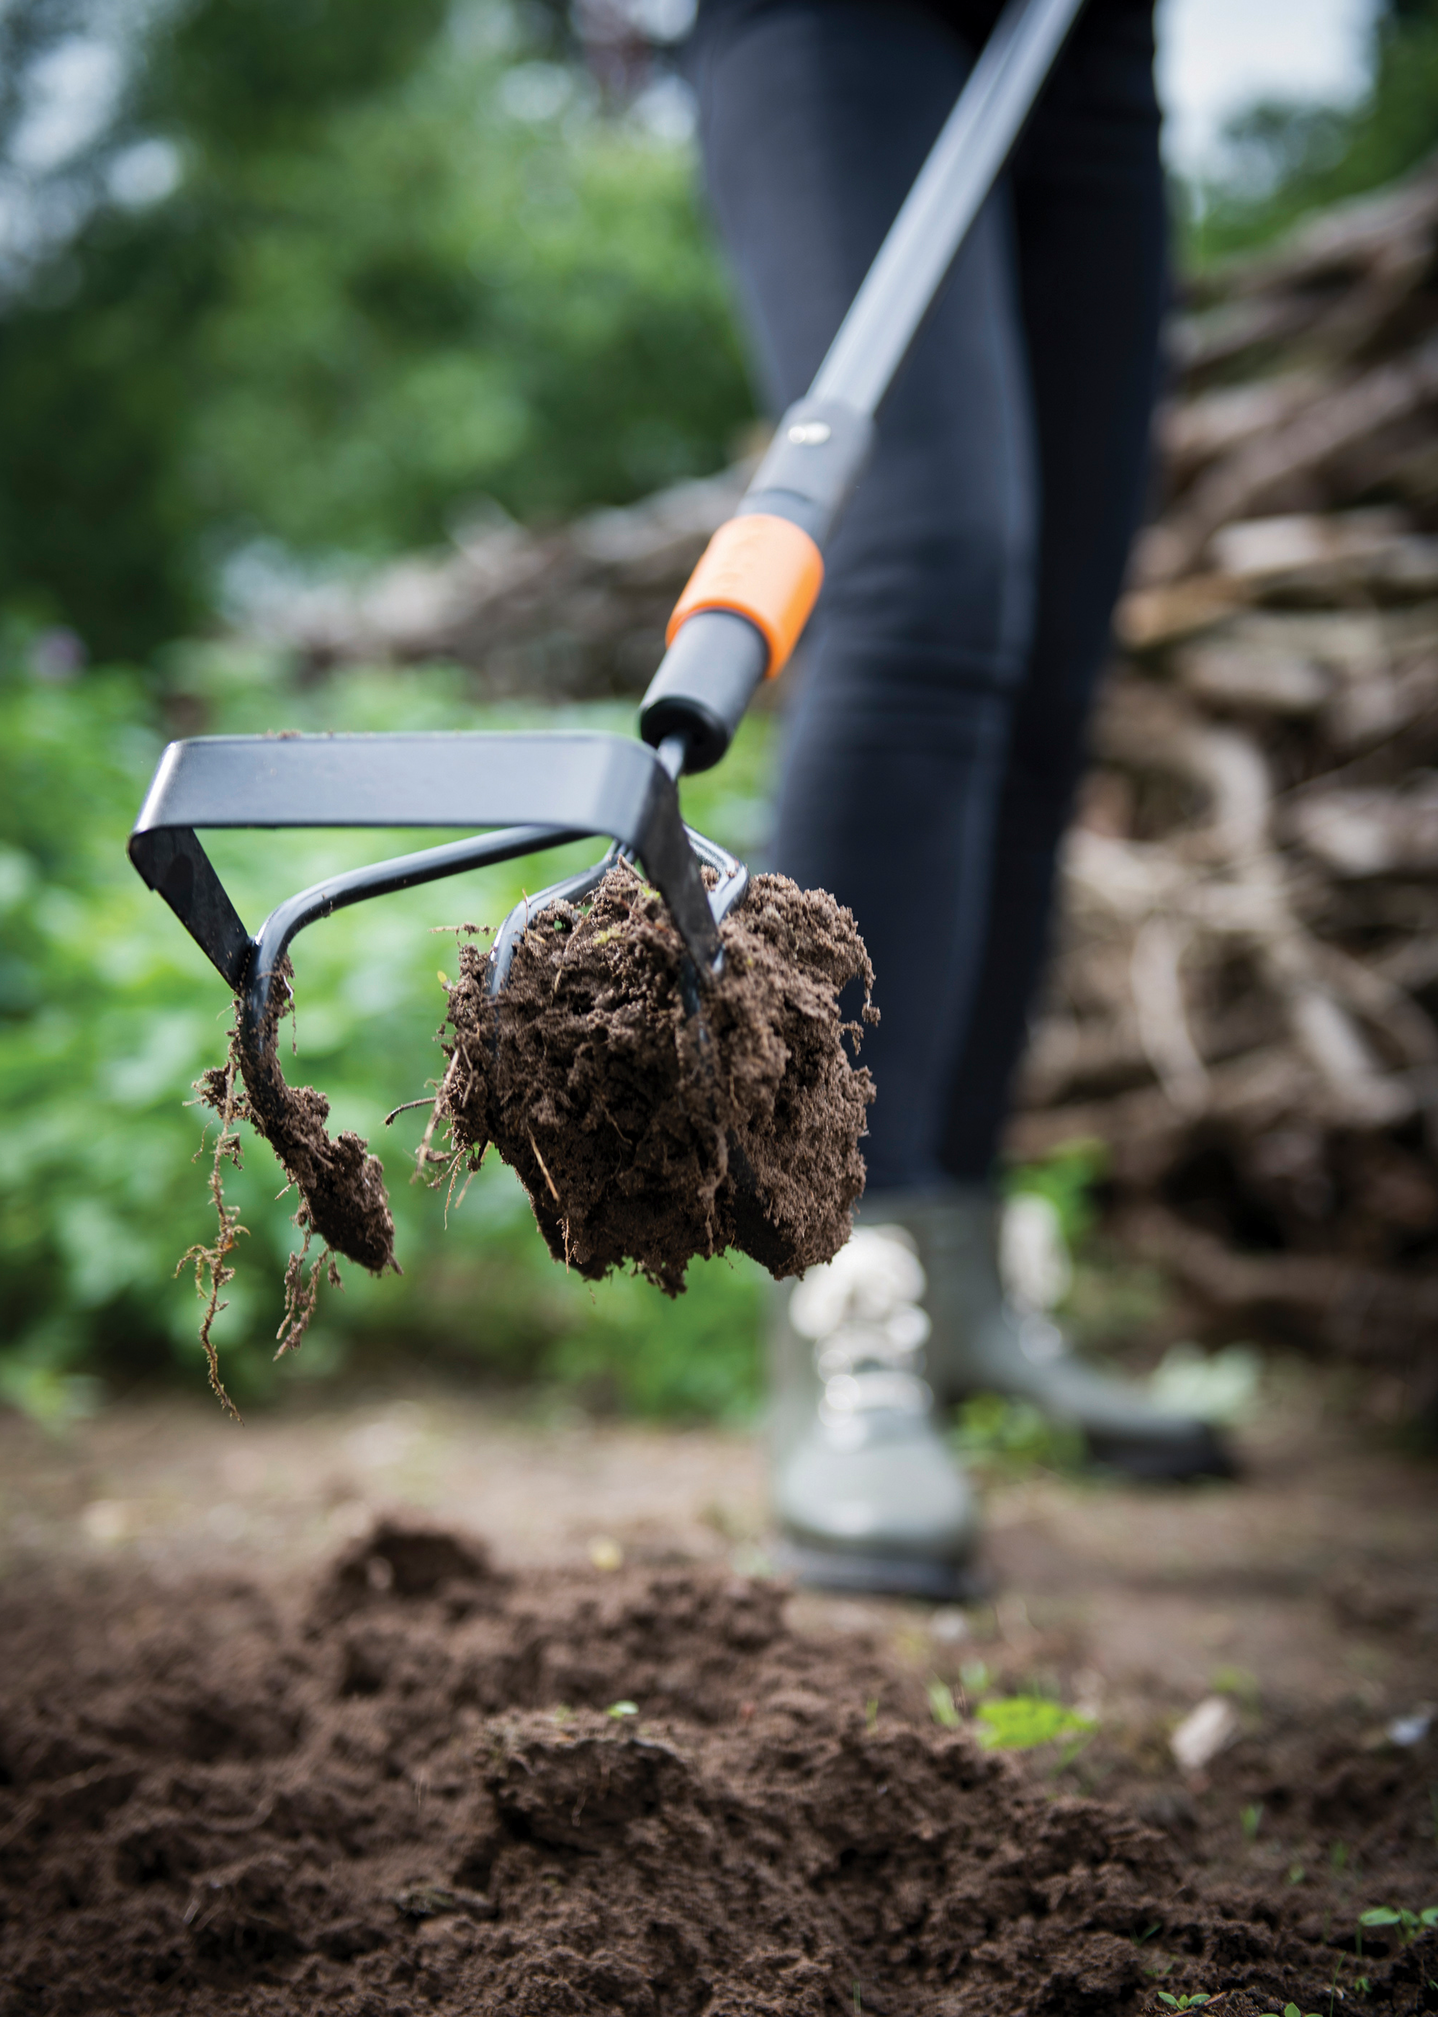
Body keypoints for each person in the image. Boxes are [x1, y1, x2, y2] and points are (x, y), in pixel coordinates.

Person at [685, 0, 1228, 1595]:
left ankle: (965, 1287)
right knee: (928, 578)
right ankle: (840, 1297)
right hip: (837, 24)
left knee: (1050, 654)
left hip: (1086, 42)